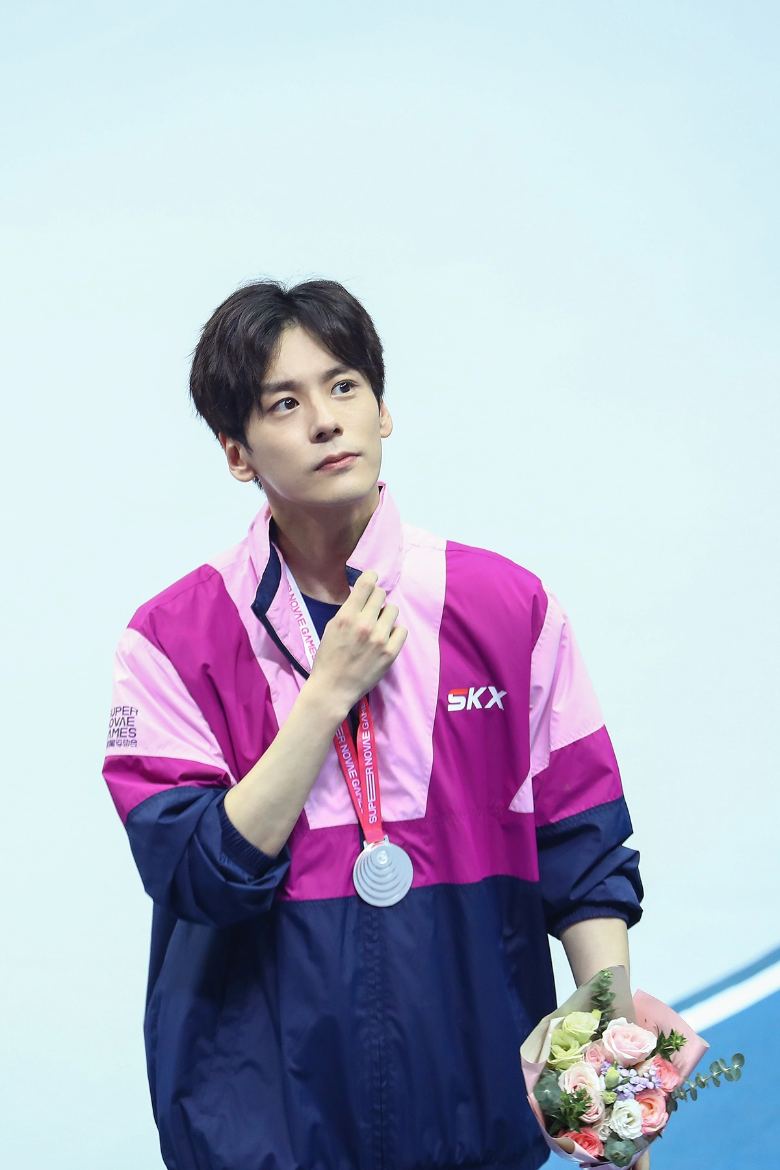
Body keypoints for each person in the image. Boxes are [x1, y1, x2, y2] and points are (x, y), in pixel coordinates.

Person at [103, 280, 645, 1170]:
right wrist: (325, 696)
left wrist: (614, 1078)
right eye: (285, 403)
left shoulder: (507, 606)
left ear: (382, 410)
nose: (326, 421)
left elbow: (583, 856)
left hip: (475, 1128)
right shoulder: (172, 637)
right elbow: (198, 876)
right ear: (237, 453)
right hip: (259, 1139)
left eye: (345, 386)